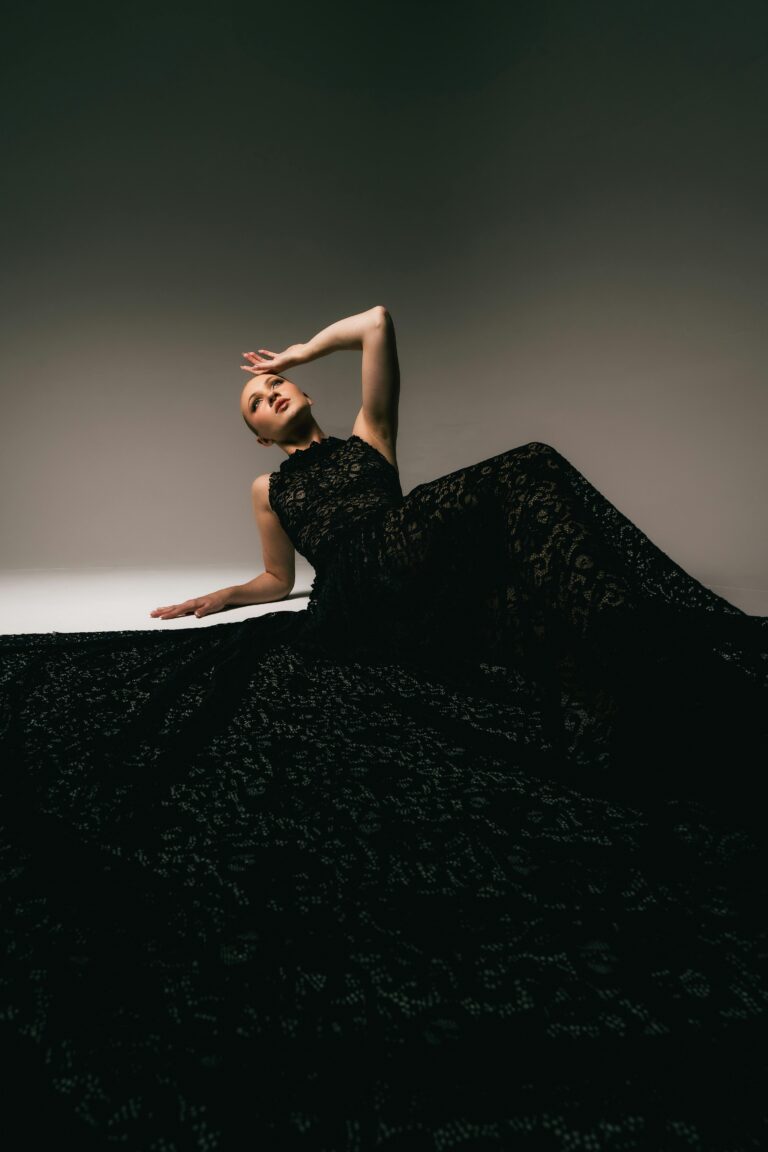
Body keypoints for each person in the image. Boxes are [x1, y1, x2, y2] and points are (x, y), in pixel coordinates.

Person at [1, 305, 766, 1149]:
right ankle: (621, 668)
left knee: (539, 573)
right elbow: (275, 578)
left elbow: (376, 322)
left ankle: (620, 685)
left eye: (276, 384)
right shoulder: (267, 488)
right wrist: (221, 598)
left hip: (412, 593)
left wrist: (300, 349)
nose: (270, 392)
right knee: (531, 466)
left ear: (303, 391)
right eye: (256, 401)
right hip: (354, 599)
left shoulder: (372, 437)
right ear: (257, 437)